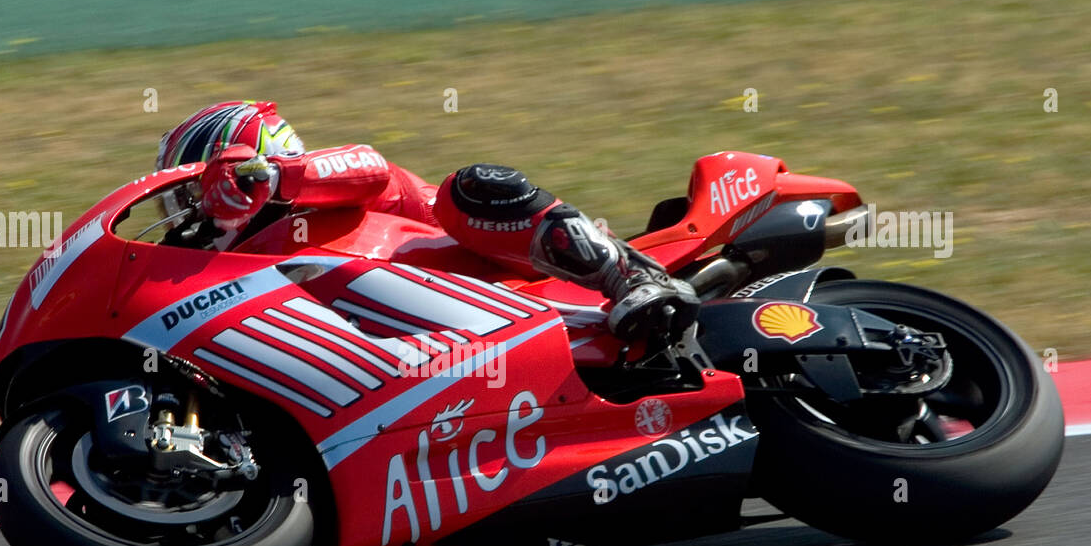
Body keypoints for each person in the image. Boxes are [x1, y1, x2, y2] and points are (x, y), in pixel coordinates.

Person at [155, 101, 699, 343]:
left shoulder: (329, 190)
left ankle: (632, 276)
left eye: (191, 191)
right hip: (447, 348)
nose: (192, 210)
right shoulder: (248, 264)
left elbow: (369, 163)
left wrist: (271, 177)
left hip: (520, 280)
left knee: (470, 186)